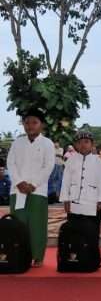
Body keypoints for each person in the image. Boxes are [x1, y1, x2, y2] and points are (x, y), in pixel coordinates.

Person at [6, 109, 55, 267]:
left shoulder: (47, 143)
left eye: (34, 122)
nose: (30, 126)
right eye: (27, 122)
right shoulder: (17, 142)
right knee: (19, 224)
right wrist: (19, 182)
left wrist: (33, 184)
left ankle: (37, 257)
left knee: (37, 224)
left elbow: (48, 166)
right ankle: (19, 254)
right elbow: (10, 164)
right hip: (17, 190)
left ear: (42, 125)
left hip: (37, 191)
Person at [59, 131, 101, 235]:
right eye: (79, 142)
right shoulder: (70, 160)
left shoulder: (97, 161)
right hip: (74, 203)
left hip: (92, 203)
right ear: (75, 145)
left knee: (92, 234)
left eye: (86, 142)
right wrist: (66, 200)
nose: (83, 145)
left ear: (92, 144)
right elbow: (65, 181)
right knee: (75, 234)